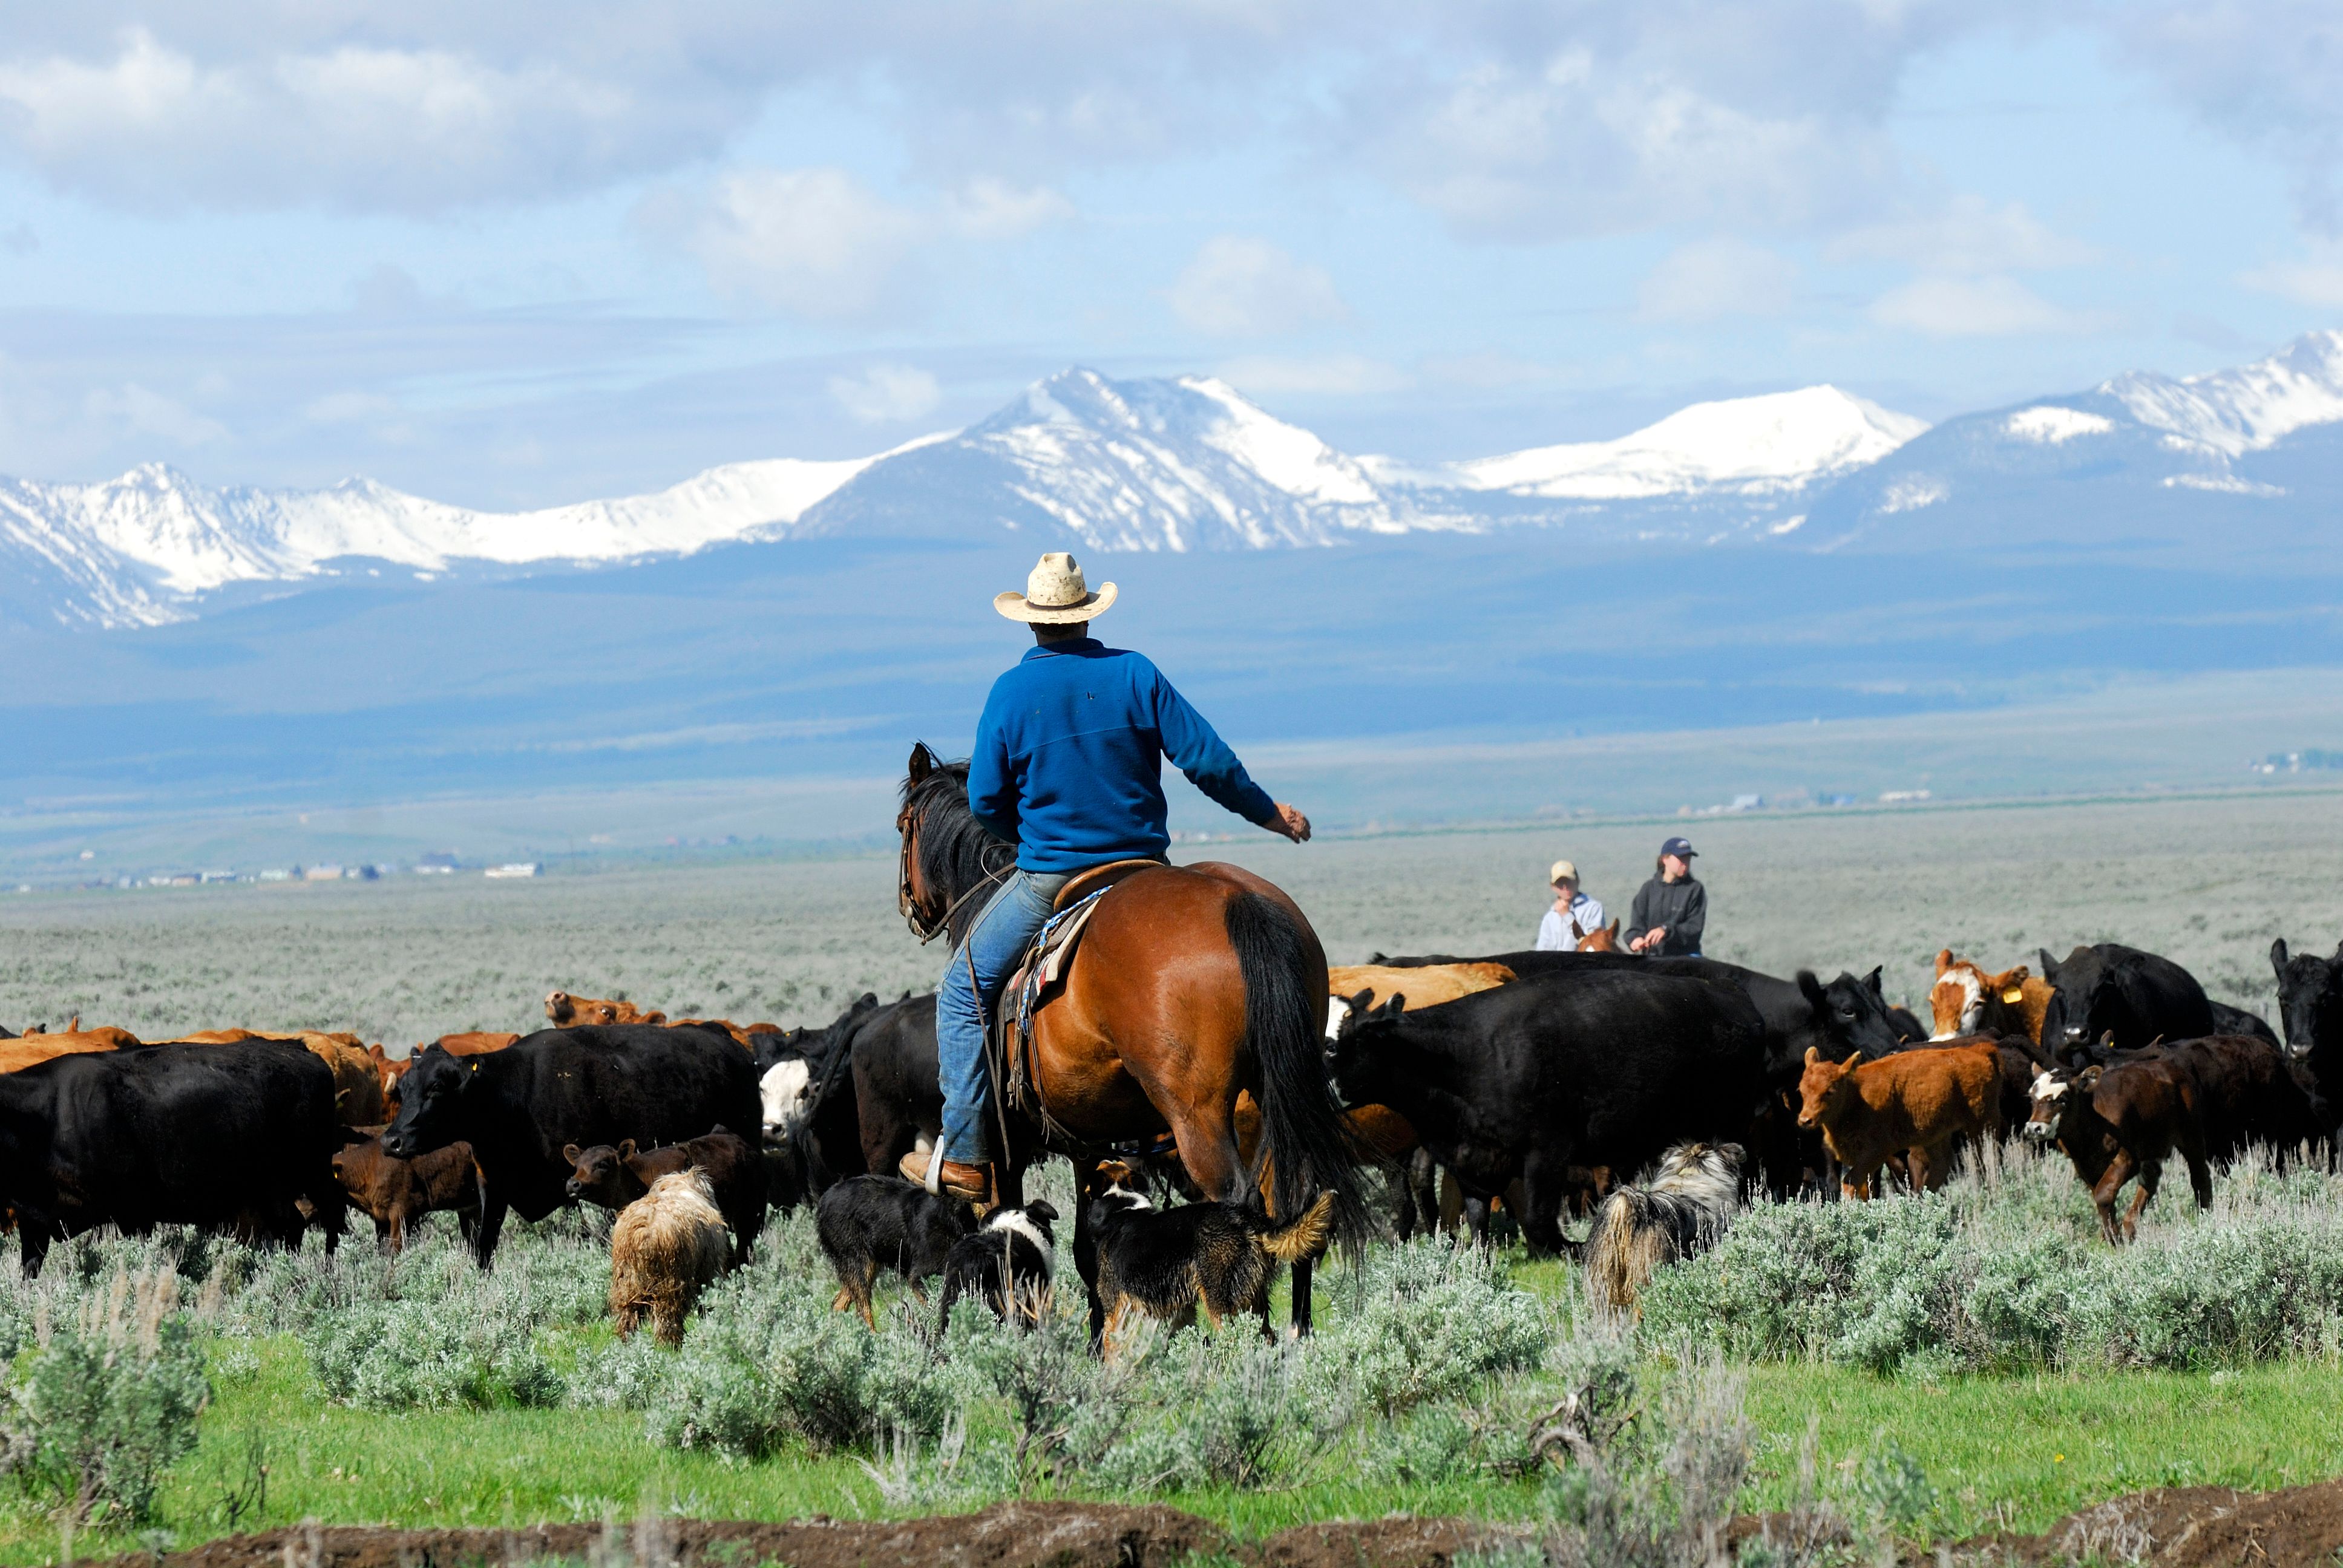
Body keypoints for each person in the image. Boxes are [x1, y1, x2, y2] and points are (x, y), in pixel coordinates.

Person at [900, 552, 1312, 1201]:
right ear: (1088, 614)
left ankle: (969, 1158)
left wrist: (1028, 832)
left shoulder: (1010, 691)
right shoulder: (1134, 672)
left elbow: (982, 800)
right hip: (1143, 867)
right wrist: (1268, 813)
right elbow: (1205, 759)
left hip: (1052, 878)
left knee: (960, 993)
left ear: (1032, 623)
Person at [1626, 837, 1705, 958]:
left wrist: (1666, 930)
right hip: (1653, 957)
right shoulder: (1648, 889)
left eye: (1688, 859)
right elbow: (1636, 926)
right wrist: (1635, 940)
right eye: (1681, 858)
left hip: (1687, 956)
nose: (1685, 863)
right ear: (1665, 860)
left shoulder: (1695, 889)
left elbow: (1694, 928)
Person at [1533, 860, 1604, 951]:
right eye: (1560, 883)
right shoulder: (1550, 917)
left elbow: (1592, 944)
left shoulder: (1593, 908)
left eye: (1568, 881)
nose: (1565, 887)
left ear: (1578, 881)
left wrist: (1567, 916)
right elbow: (1542, 950)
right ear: (1553, 887)